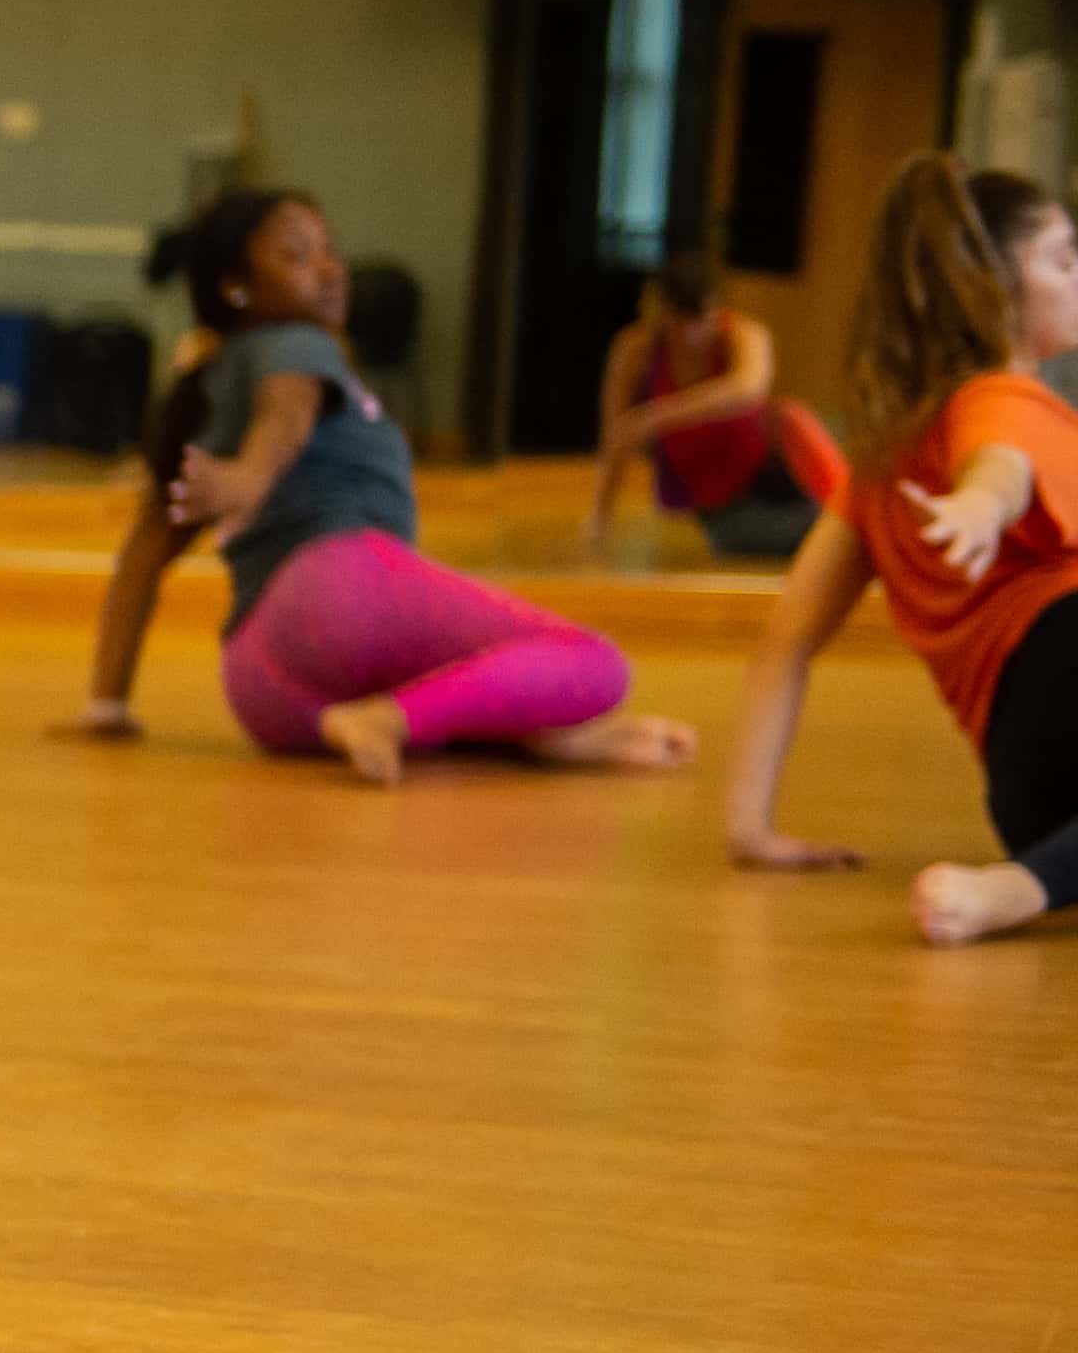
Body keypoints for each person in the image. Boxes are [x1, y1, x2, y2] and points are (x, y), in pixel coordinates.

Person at [61, 189, 691, 785]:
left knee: (458, 683)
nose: (331, 270)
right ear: (236, 288)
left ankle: (528, 736)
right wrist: (252, 477)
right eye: (298, 255)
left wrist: (107, 706)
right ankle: (398, 720)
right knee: (593, 663)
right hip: (338, 593)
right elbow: (289, 413)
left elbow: (144, 552)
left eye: (329, 249)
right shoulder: (293, 344)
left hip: (265, 694)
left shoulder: (216, 385)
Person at [716, 156, 1078, 947]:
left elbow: (786, 645)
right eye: (1062, 258)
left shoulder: (882, 463)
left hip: (1031, 798)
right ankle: (1024, 890)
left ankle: (1029, 877)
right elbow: (1001, 463)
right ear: (991, 287)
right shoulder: (1003, 399)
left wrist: (751, 826)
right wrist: (982, 506)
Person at [590, 255, 844, 561]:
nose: (691, 336)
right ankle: (851, 525)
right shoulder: (637, 350)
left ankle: (853, 509)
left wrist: (654, 415)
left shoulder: (742, 335)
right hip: (724, 504)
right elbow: (617, 436)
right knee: (821, 537)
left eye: (701, 322)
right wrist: (600, 518)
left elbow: (749, 387)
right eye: (679, 324)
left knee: (790, 415)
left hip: (775, 475)